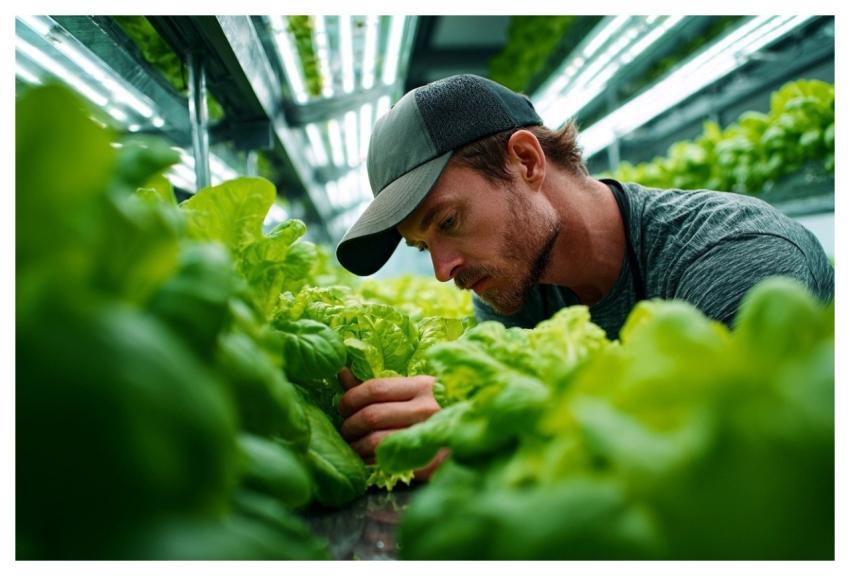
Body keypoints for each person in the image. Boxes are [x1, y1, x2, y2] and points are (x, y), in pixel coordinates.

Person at [333, 74, 835, 476]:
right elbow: (500, 415)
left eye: (448, 222)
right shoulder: (515, 288)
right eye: (425, 248)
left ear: (526, 162)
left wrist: (477, 446)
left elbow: (717, 464)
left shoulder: (733, 255)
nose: (444, 270)